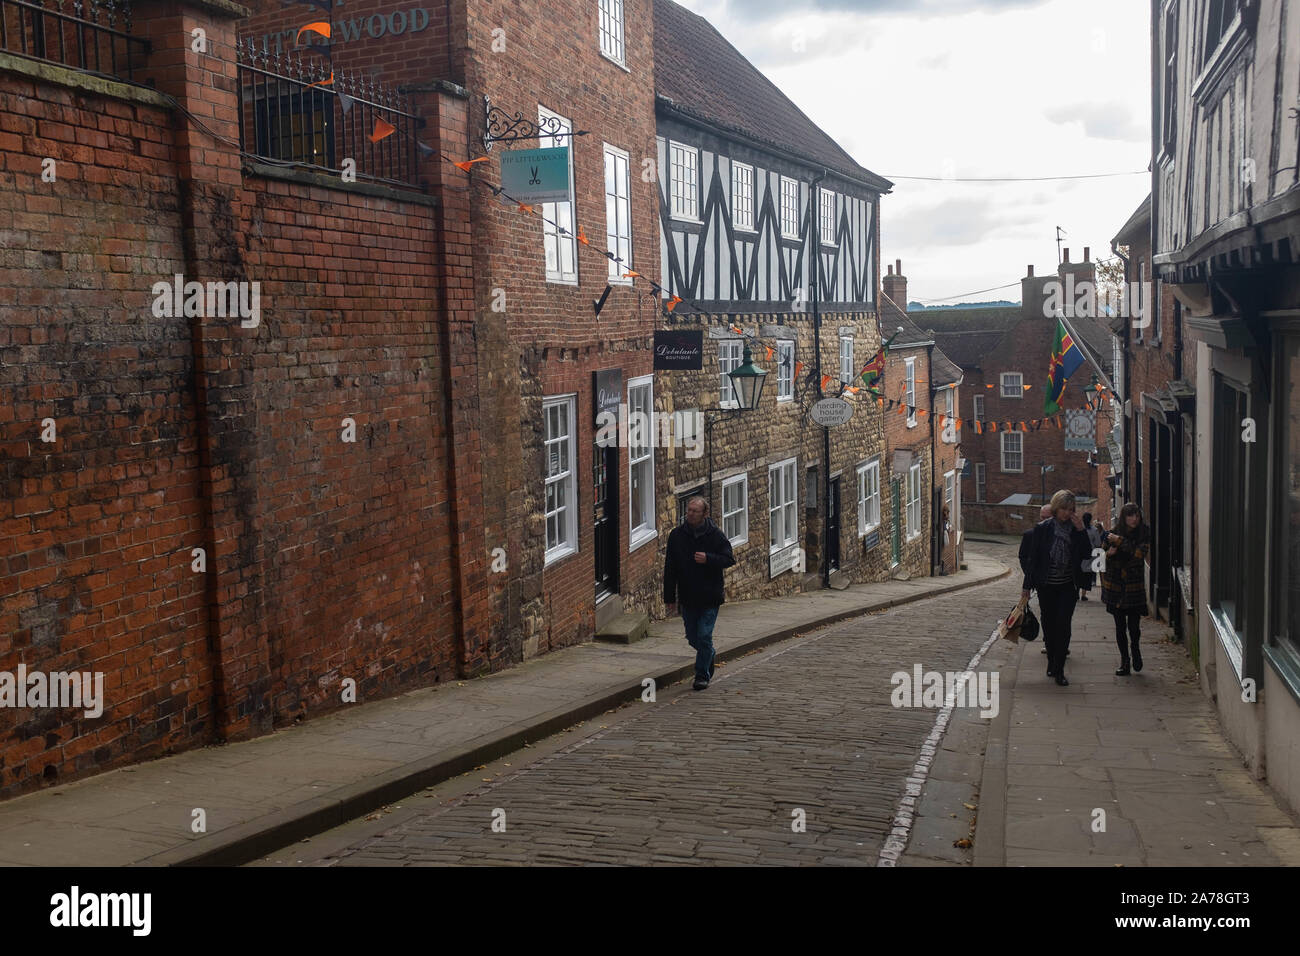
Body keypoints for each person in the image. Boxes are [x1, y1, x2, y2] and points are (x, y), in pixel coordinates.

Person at [664, 496, 736, 691]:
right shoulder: (677, 536)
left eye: (695, 511)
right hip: (688, 596)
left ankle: (701, 675)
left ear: (705, 514)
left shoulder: (715, 535)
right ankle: (709, 654)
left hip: (710, 595)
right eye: (688, 510)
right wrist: (669, 598)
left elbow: (729, 558)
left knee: (704, 636)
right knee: (693, 637)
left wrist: (709, 558)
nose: (690, 514)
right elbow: (670, 567)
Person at [1021, 490, 1092, 686]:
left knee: (1064, 626)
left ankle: (1059, 669)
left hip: (1068, 586)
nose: (1067, 514)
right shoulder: (1043, 528)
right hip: (1046, 586)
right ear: (1055, 508)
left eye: (1070, 510)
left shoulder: (1076, 530)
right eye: (1063, 509)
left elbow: (1087, 553)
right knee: (1050, 626)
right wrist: (1026, 587)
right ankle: (1051, 659)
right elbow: (1033, 559)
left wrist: (1081, 530)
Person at [1102, 503, 1150, 676]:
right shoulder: (1112, 532)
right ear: (1124, 517)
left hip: (1133, 586)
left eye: (1136, 515)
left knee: (1134, 627)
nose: (1134, 519)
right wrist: (1108, 554)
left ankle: (1135, 650)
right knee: (1120, 626)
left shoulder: (1144, 533)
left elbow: (1138, 555)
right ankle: (1125, 661)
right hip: (1115, 585)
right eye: (1130, 516)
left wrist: (1120, 542)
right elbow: (1099, 559)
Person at [1019, 504, 1054, 656]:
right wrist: (1030, 578)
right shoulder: (1030, 535)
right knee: (1047, 614)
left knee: (1062, 617)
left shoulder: (1061, 534)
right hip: (1042, 583)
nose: (1044, 521)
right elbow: (1024, 557)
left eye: (1048, 518)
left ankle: (1061, 644)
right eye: (1042, 517)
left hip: (1062, 582)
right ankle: (1049, 642)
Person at [1079, 512, 1100, 600]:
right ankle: (1083, 595)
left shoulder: (1078, 528)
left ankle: (1076, 593)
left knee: (1078, 574)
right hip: (1089, 555)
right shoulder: (1094, 530)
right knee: (1086, 575)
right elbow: (1098, 543)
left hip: (1079, 555)